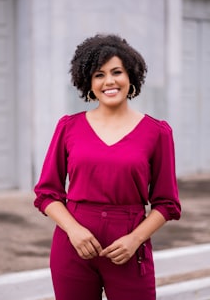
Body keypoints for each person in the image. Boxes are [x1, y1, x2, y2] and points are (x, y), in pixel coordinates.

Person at [34, 34, 181, 300]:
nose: (109, 81)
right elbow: (47, 194)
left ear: (131, 77)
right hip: (74, 244)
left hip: (128, 245)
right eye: (99, 75)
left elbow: (167, 203)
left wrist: (135, 240)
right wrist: (74, 231)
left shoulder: (157, 133)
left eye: (117, 72)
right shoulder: (69, 127)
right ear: (88, 82)